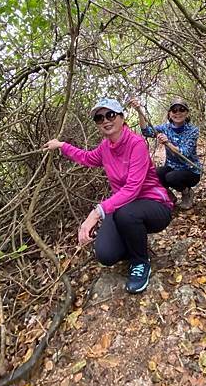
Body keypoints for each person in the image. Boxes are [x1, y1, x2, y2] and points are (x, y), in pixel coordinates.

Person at [42, 98, 174, 294]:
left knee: (126, 214)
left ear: (122, 117)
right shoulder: (105, 148)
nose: (105, 120)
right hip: (125, 208)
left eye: (110, 114)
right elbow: (86, 158)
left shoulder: (136, 143)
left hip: (154, 205)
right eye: (99, 117)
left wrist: (96, 214)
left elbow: (132, 189)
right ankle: (134, 241)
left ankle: (140, 262)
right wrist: (62, 145)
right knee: (105, 254)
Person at [130, 97, 202, 210]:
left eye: (182, 109)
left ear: (187, 113)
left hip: (191, 170)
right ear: (170, 113)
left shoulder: (193, 130)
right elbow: (146, 131)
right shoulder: (165, 127)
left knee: (171, 177)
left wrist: (168, 142)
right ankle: (170, 197)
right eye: (174, 110)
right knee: (154, 174)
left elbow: (185, 153)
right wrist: (139, 110)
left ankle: (187, 192)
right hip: (172, 167)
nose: (178, 113)